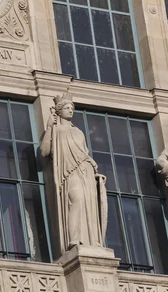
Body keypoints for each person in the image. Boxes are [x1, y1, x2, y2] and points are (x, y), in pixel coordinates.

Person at [40, 93, 107, 251]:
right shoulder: (56, 130)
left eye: (72, 108)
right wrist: (49, 128)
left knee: (88, 205)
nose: (70, 110)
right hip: (69, 172)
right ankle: (73, 239)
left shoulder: (79, 132)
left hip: (86, 170)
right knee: (76, 200)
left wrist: (95, 174)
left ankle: (90, 241)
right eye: (67, 108)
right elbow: (44, 151)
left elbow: (84, 154)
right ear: (59, 111)